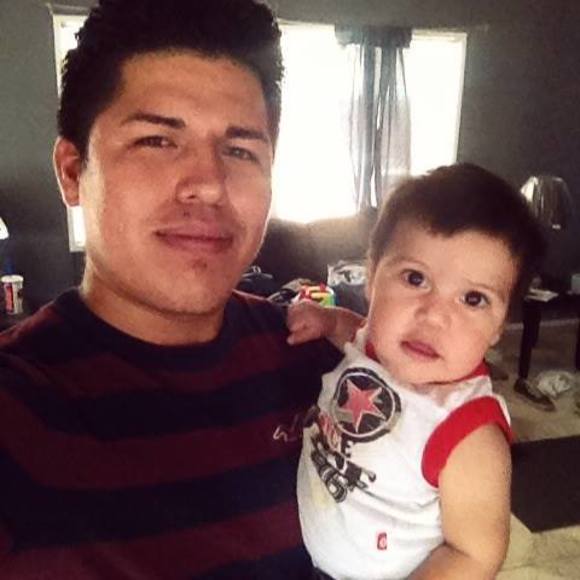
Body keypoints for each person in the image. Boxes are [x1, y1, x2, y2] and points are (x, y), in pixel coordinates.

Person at [0, 0, 340, 577]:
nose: (209, 185)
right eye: (157, 141)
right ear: (72, 171)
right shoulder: (20, 408)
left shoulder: (317, 361)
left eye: (240, 150)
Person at [287, 163, 546, 580]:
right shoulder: (379, 344)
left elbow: (474, 555)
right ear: (372, 276)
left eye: (473, 299)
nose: (434, 316)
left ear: (499, 327)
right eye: (415, 278)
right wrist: (328, 320)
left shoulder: (467, 433)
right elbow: (358, 331)